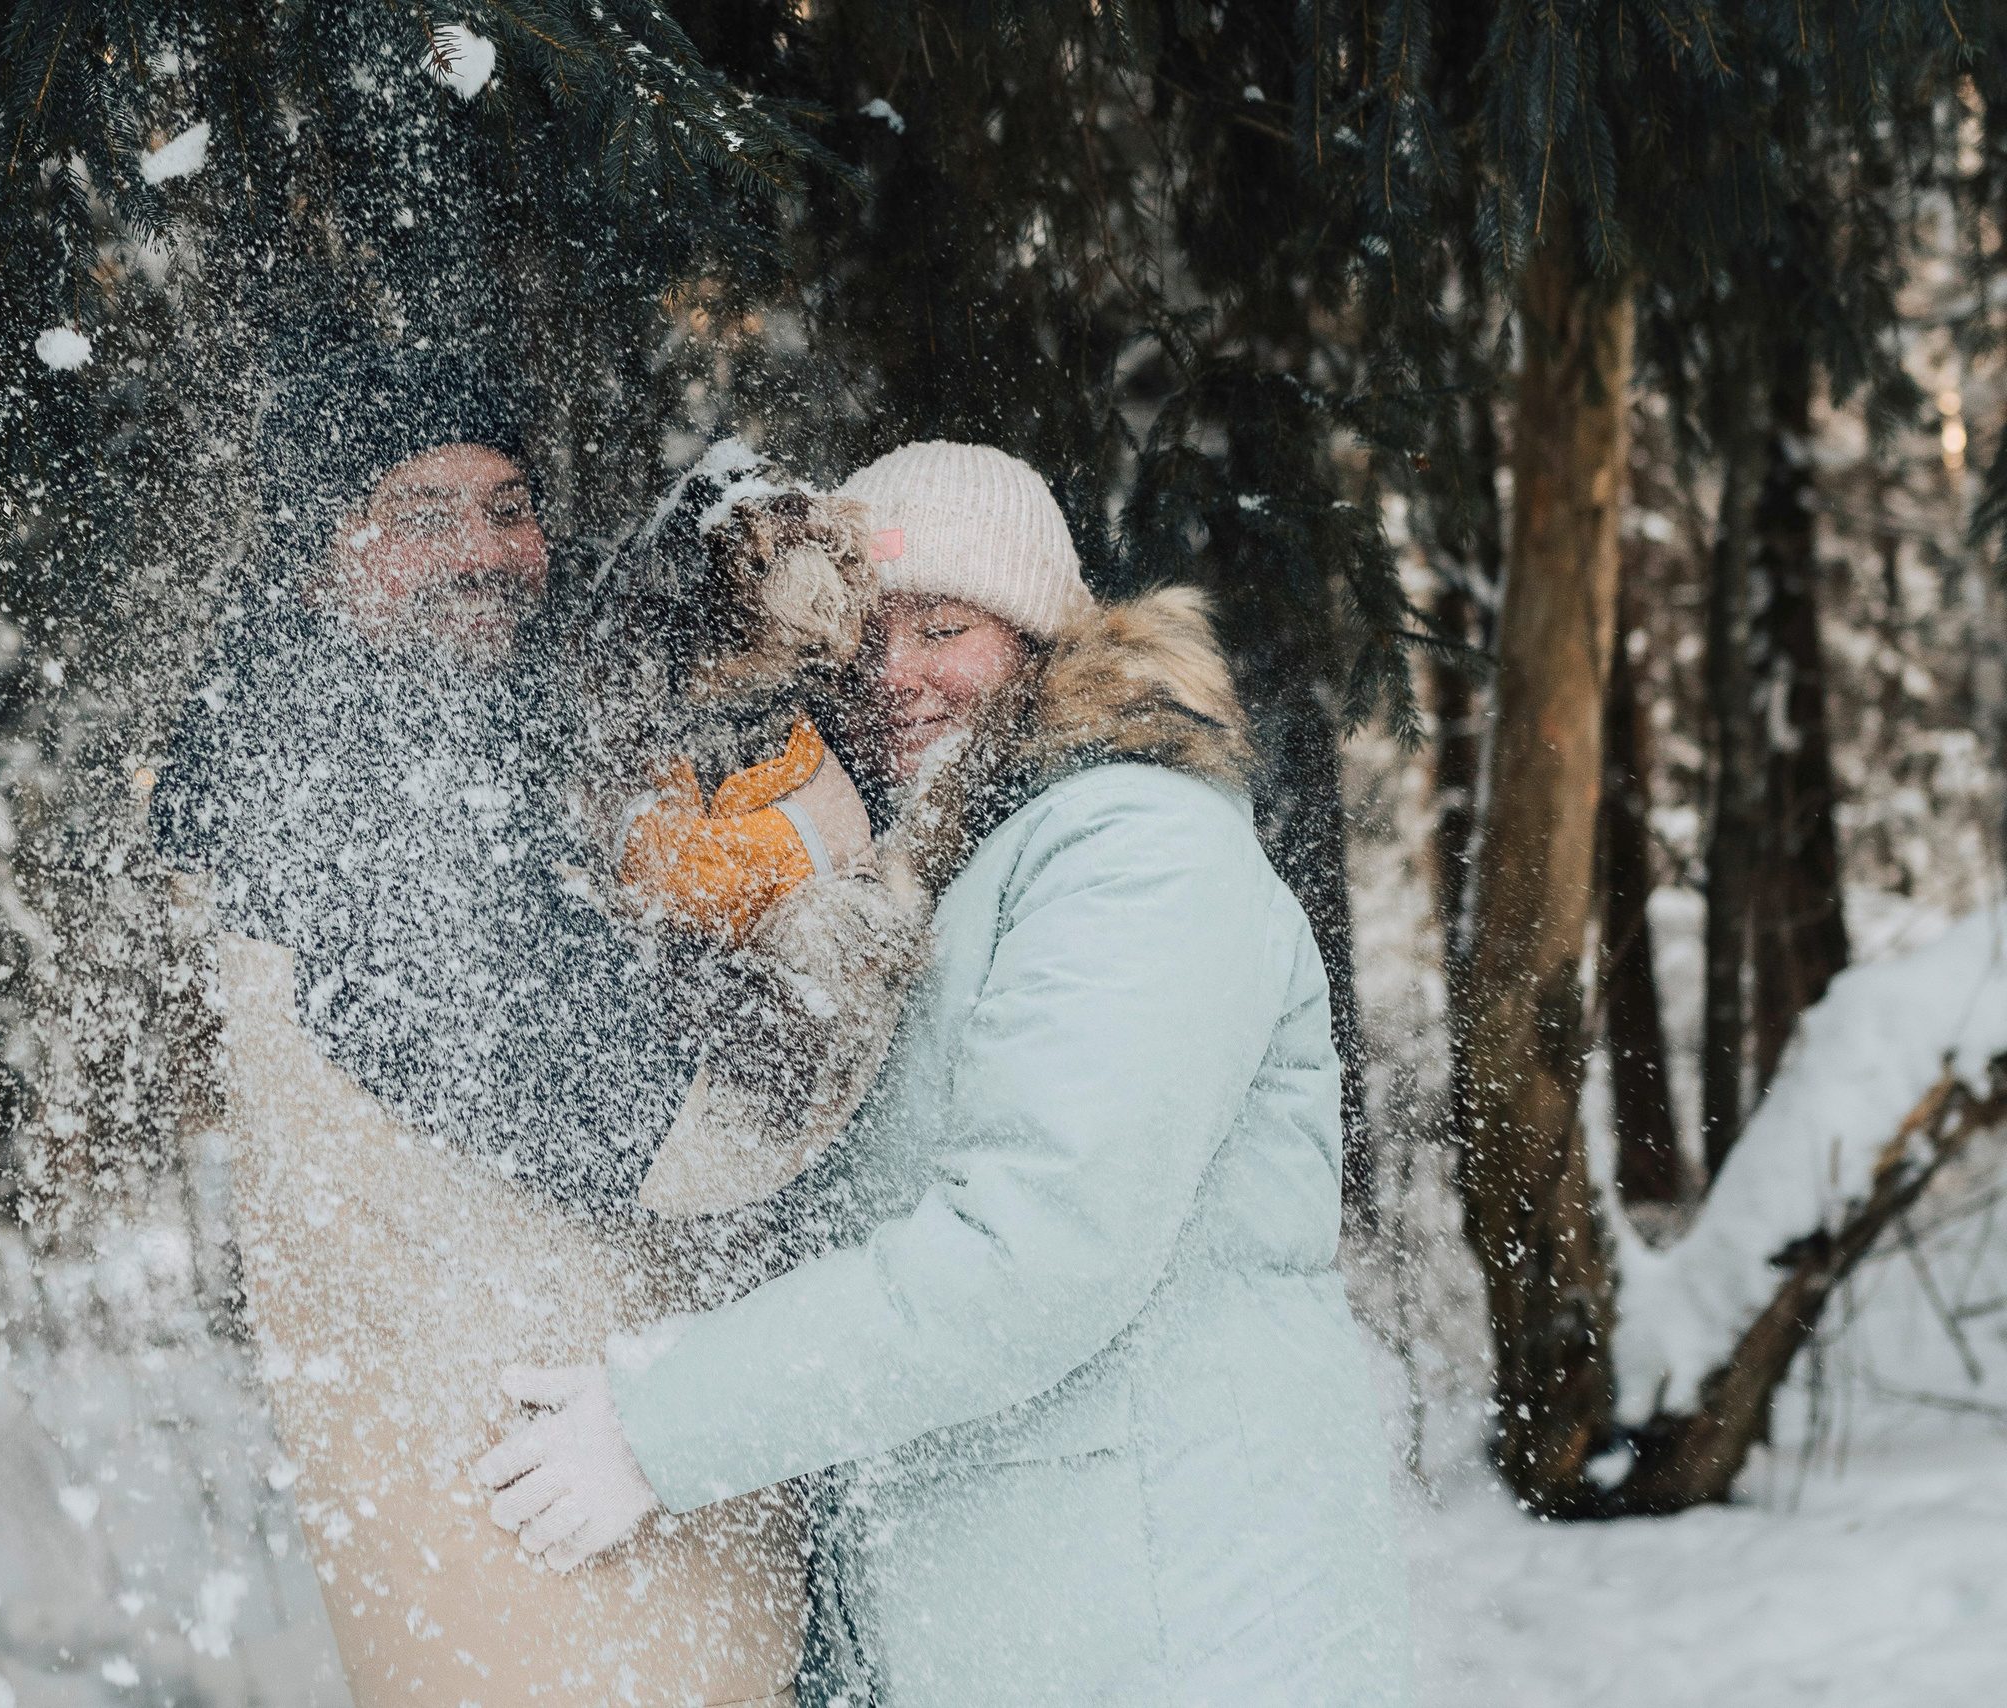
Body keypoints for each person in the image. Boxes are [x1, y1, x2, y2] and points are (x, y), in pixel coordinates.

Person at [478, 441, 1414, 1705]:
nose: (898, 677)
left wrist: (664, 1424)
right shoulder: (927, 880)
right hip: (1017, 1633)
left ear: (1039, 640)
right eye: (865, 639)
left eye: (943, 628)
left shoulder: (1135, 849)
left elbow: (1036, 1251)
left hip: (1180, 1634)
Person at [154, 344, 815, 1707]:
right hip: (539, 1544)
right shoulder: (333, 788)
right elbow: (686, 1129)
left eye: (507, 507)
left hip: (588, 1499)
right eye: (421, 515)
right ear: (317, 558)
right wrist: (850, 917)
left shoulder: (462, 747)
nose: (486, 553)